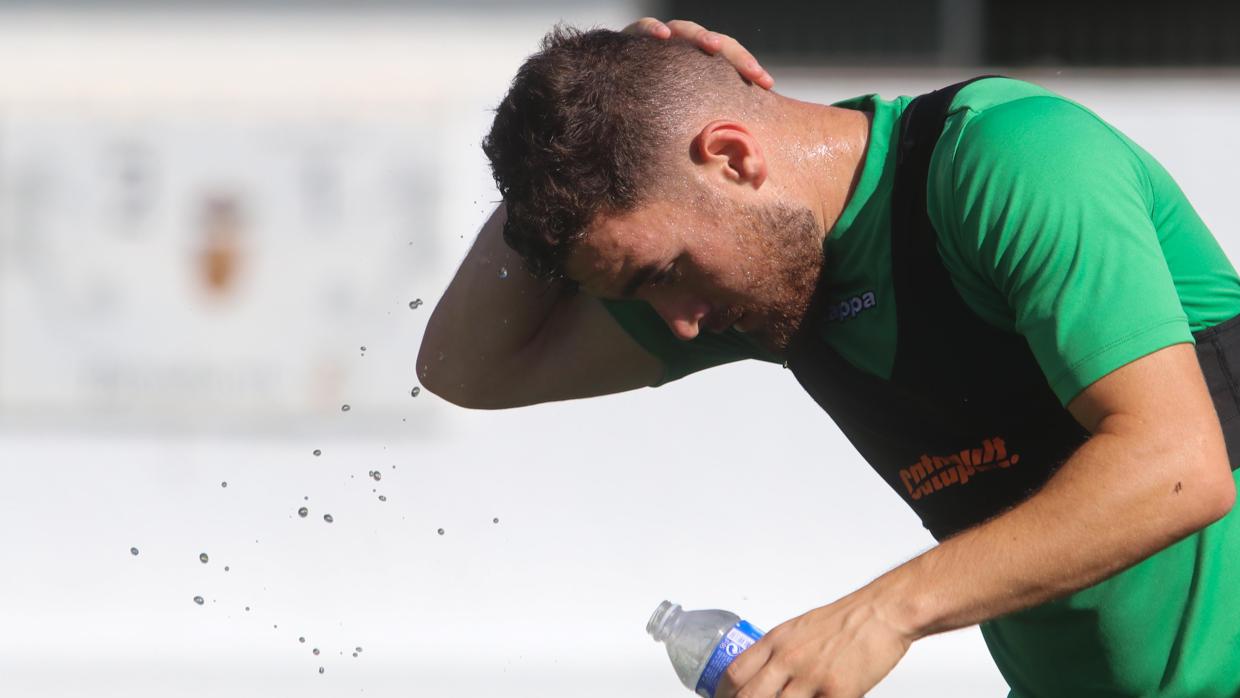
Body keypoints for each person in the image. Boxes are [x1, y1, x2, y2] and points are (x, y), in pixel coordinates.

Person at [418, 18, 1240, 698]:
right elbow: (464, 367)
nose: (679, 324)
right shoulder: (766, 293)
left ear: (734, 158)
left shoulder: (1006, 160)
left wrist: (883, 612)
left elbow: (1176, 462)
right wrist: (577, 133)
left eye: (663, 273)